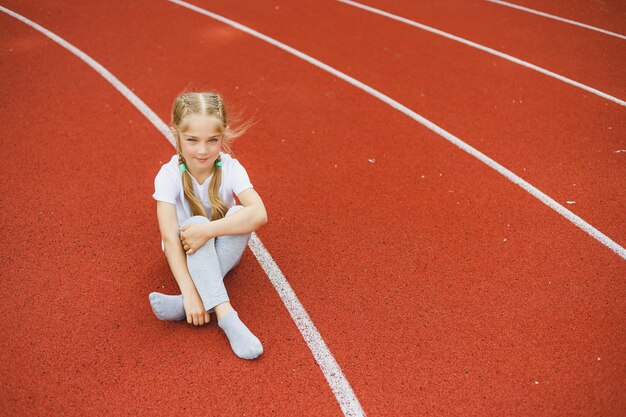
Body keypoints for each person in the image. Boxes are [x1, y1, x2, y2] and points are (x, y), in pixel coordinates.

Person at [148, 91, 267, 360]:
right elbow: (169, 237)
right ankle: (226, 315)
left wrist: (209, 231)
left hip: (223, 244)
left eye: (213, 140)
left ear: (223, 135)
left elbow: (259, 213)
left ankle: (185, 304)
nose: (202, 150)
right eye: (192, 140)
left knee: (239, 212)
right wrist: (189, 293)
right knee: (194, 223)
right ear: (175, 134)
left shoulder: (231, 168)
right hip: (185, 248)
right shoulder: (167, 176)